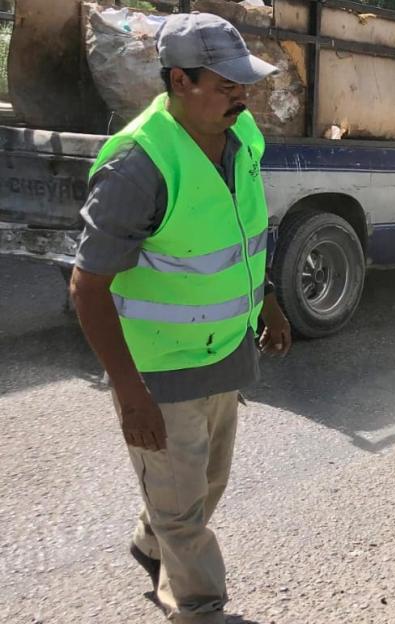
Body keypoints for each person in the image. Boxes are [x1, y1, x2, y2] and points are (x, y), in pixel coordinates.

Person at [68, 13, 290, 624]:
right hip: (159, 370)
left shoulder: (243, 136)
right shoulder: (137, 165)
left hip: (224, 352)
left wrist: (267, 299)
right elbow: (88, 287)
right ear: (178, 80)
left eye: (243, 82)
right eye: (225, 84)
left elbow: (246, 229)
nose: (241, 95)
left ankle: (150, 542)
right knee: (185, 515)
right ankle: (199, 607)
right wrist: (128, 392)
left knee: (205, 487)